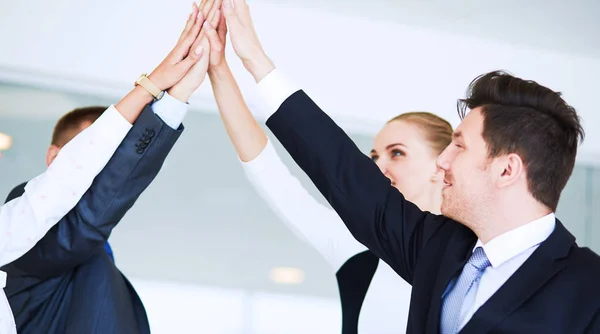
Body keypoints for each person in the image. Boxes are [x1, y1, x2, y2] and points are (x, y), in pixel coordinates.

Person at [214, 0, 600, 332]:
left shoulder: (589, 289)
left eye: (459, 147)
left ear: (506, 170)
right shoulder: (438, 248)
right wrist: (254, 61)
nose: (443, 161)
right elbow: (343, 170)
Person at [201, 10, 452, 332]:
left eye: (398, 153)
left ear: (441, 163)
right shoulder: (354, 246)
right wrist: (219, 69)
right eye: (373, 156)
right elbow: (270, 174)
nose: (378, 166)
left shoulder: (472, 254)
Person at [1, 2, 221, 333]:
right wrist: (169, 94)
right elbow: (88, 214)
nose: (109, 166)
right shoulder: (25, 228)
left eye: (115, 156)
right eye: (94, 154)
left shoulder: (100, 267)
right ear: (54, 158)